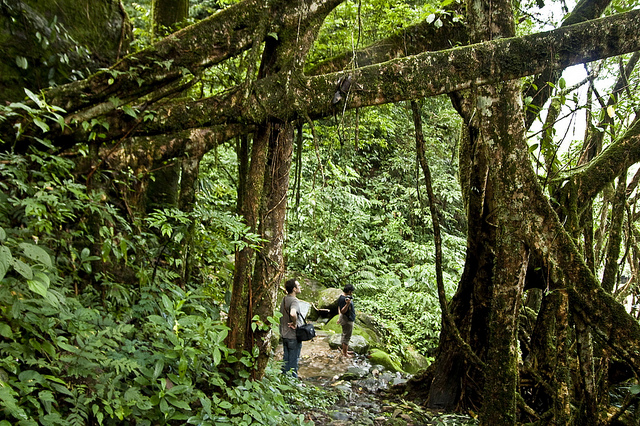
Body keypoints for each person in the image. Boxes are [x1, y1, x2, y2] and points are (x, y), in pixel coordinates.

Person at [279, 279, 303, 377]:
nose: (300, 287)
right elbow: (293, 313)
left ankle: (284, 379)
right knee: (293, 361)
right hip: (293, 336)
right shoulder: (294, 301)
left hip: (284, 334)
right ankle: (293, 382)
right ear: (294, 289)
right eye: (298, 285)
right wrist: (295, 323)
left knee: (286, 359)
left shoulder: (284, 299)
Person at [337, 284, 356, 357]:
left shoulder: (343, 297)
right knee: (347, 336)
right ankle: (345, 353)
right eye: (351, 292)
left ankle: (345, 350)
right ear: (349, 291)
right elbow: (342, 311)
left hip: (346, 318)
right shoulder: (343, 299)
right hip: (347, 319)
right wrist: (347, 304)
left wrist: (339, 318)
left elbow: (338, 307)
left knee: (344, 334)